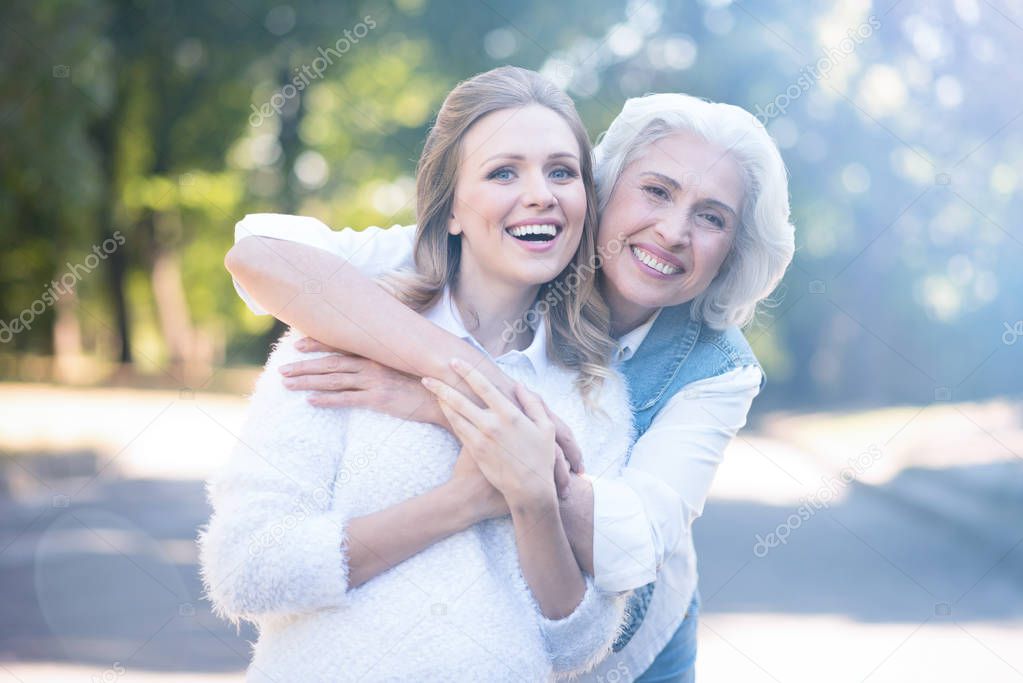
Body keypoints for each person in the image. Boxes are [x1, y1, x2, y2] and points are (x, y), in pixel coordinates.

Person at [226, 91, 795, 681]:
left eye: (712, 217)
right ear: (603, 188)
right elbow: (261, 253)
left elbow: (627, 547)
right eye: (656, 190)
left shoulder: (718, 368)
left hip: (637, 645)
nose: (674, 231)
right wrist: (463, 369)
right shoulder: (515, 244)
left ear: (733, 247)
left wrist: (457, 409)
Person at [199, 66, 635, 682]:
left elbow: (577, 644)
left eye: (562, 171)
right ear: (451, 210)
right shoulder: (339, 339)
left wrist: (532, 495)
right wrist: (459, 502)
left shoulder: (597, 390)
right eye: (503, 172)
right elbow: (245, 568)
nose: (541, 193)